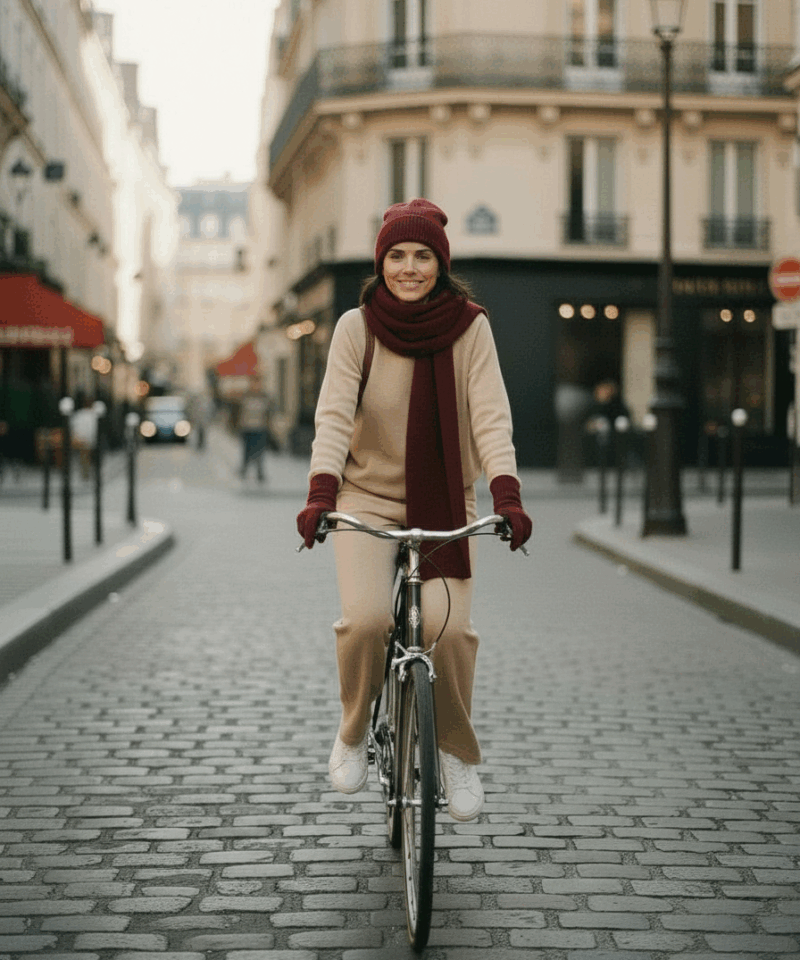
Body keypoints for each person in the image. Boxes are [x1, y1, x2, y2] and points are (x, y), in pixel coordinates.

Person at [296, 198, 532, 822]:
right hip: (366, 497)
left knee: (448, 631)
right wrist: (322, 492)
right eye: (397, 255)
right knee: (370, 619)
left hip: (445, 498)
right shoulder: (356, 327)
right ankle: (352, 731)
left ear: (440, 263)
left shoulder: (470, 327)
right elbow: (333, 416)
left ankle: (454, 752)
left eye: (421, 256)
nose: (409, 267)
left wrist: (505, 492)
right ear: (381, 262)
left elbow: (490, 416)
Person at [238, 377, 272, 482]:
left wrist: (268, 425)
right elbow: (239, 412)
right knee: (247, 450)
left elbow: (269, 413)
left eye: (257, 383)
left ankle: (259, 472)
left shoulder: (264, 397)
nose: (255, 385)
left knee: (260, 451)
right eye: (253, 382)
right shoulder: (245, 396)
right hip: (247, 427)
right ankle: (244, 469)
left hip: (260, 428)